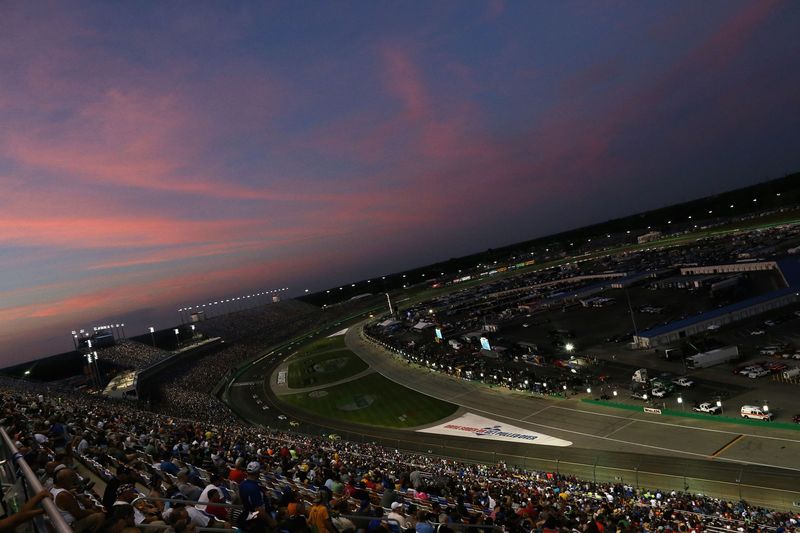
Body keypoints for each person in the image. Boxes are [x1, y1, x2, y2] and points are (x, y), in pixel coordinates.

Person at [50, 468, 105, 533]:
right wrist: (93, 511)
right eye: (71, 479)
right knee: (100, 516)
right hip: (69, 526)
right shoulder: (63, 495)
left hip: (64, 522)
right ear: (64, 481)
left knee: (86, 501)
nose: (73, 481)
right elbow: (79, 514)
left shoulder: (54, 488)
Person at [237, 461, 274, 532]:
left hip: (250, 515)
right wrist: (271, 521)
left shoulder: (242, 484)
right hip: (260, 521)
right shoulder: (253, 488)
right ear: (257, 472)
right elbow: (259, 510)